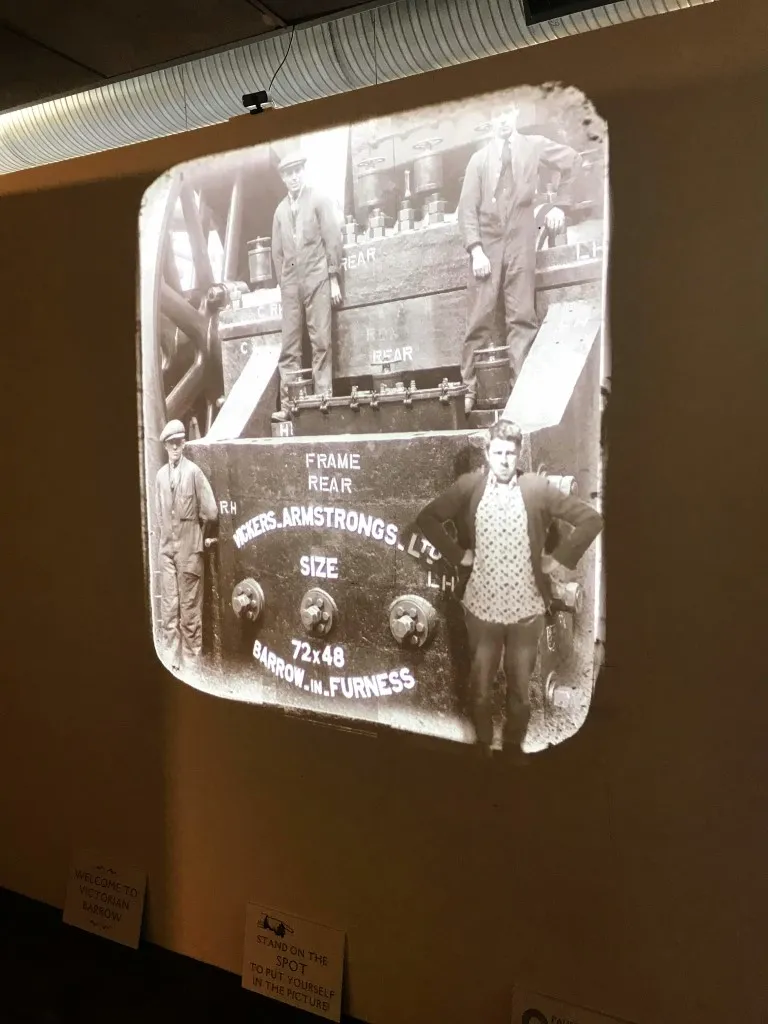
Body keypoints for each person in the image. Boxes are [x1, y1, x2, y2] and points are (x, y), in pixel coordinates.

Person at [416, 419, 602, 762]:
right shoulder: (469, 487)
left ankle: (514, 753)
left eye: (511, 454)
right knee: (481, 686)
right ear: (487, 454)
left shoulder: (537, 490)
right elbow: (428, 518)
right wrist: (459, 556)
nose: (504, 460)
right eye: (498, 453)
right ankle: (483, 749)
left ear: (518, 456)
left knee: (519, 690)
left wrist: (555, 560)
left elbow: (590, 519)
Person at [457, 107, 581, 413]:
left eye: (506, 112)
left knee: (522, 317)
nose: (500, 119)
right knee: (479, 319)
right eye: (494, 113)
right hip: (487, 241)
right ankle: (469, 390)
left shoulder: (533, 146)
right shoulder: (479, 161)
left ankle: (521, 395)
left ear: (515, 113)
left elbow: (573, 161)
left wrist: (560, 206)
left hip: (521, 236)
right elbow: (466, 209)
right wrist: (475, 250)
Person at [271, 152, 343, 407]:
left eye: (298, 171)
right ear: (282, 177)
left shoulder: (319, 199)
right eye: (289, 173)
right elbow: (277, 253)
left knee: (321, 342)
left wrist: (333, 278)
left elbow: (332, 239)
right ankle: (291, 405)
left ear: (304, 171)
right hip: (291, 285)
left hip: (317, 278)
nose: (294, 177)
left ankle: (323, 402)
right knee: (290, 348)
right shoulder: (279, 212)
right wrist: (285, 287)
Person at [155, 419, 218, 671]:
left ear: (184, 444)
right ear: (165, 446)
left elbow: (211, 513)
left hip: (190, 553)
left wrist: (199, 536)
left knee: (190, 615)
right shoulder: (161, 477)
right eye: (171, 444)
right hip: (168, 552)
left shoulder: (193, 472)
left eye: (179, 443)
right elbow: (160, 513)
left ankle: (192, 670)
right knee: (169, 612)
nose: (175, 448)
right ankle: (171, 667)